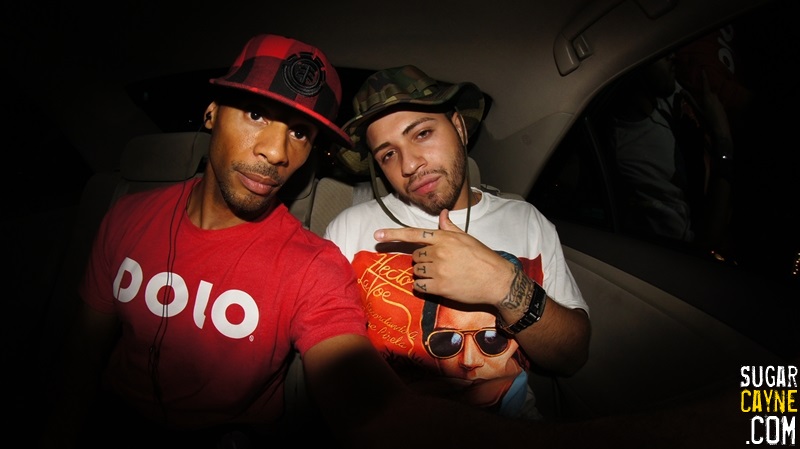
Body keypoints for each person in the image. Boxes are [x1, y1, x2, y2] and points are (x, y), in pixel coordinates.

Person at [40, 35, 560, 449]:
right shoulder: (126, 217)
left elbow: (370, 412)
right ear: (211, 112)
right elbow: (79, 360)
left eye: (300, 133)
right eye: (257, 114)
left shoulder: (312, 265)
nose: (275, 151)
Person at [327, 65, 591, 420]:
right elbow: (332, 362)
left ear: (459, 127)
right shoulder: (350, 230)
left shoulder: (525, 221)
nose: (410, 165)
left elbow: (571, 357)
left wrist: (503, 285)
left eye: (422, 133)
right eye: (388, 154)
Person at [606, 51, 734, 256]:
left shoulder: (665, 91)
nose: (672, 55)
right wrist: (724, 141)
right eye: (656, 52)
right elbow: (702, 244)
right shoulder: (633, 158)